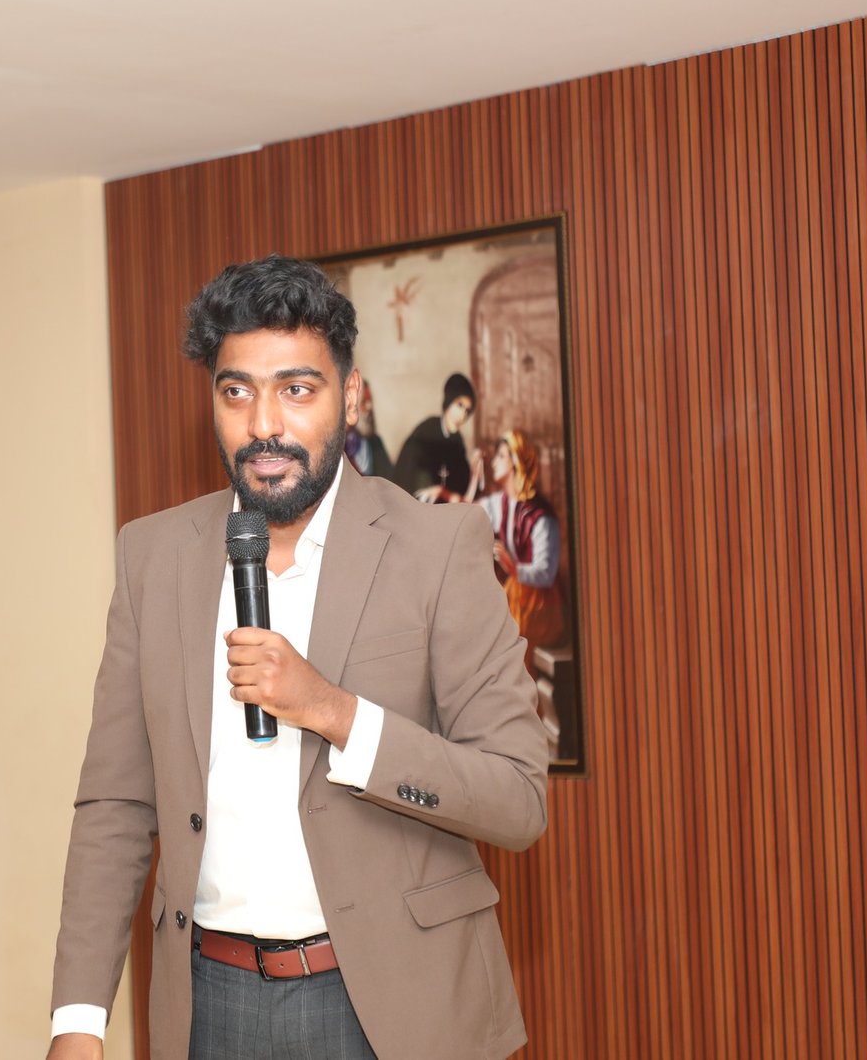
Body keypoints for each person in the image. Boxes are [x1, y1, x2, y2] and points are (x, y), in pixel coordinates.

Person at [47, 256, 549, 1060]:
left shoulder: (436, 547)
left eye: (297, 389)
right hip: (207, 1005)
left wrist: (334, 712)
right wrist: (78, 1018)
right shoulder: (153, 556)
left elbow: (517, 800)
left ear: (350, 396)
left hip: (389, 1008)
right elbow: (115, 804)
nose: (264, 425)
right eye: (237, 392)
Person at [478, 431, 567, 673]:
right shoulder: (502, 503)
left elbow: (545, 573)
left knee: (508, 633)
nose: (494, 462)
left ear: (516, 461)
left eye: (501, 456)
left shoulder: (541, 517)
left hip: (541, 603)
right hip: (516, 594)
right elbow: (468, 512)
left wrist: (514, 568)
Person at [391, 373, 476, 502]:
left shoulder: (458, 442)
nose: (462, 415)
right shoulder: (426, 432)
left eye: (467, 410)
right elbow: (408, 477)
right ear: (448, 402)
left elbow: (461, 488)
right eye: (459, 405)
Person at [343, 379, 393, 479]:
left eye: (370, 401)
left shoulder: (375, 443)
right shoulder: (339, 446)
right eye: (364, 402)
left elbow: (389, 480)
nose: (369, 407)